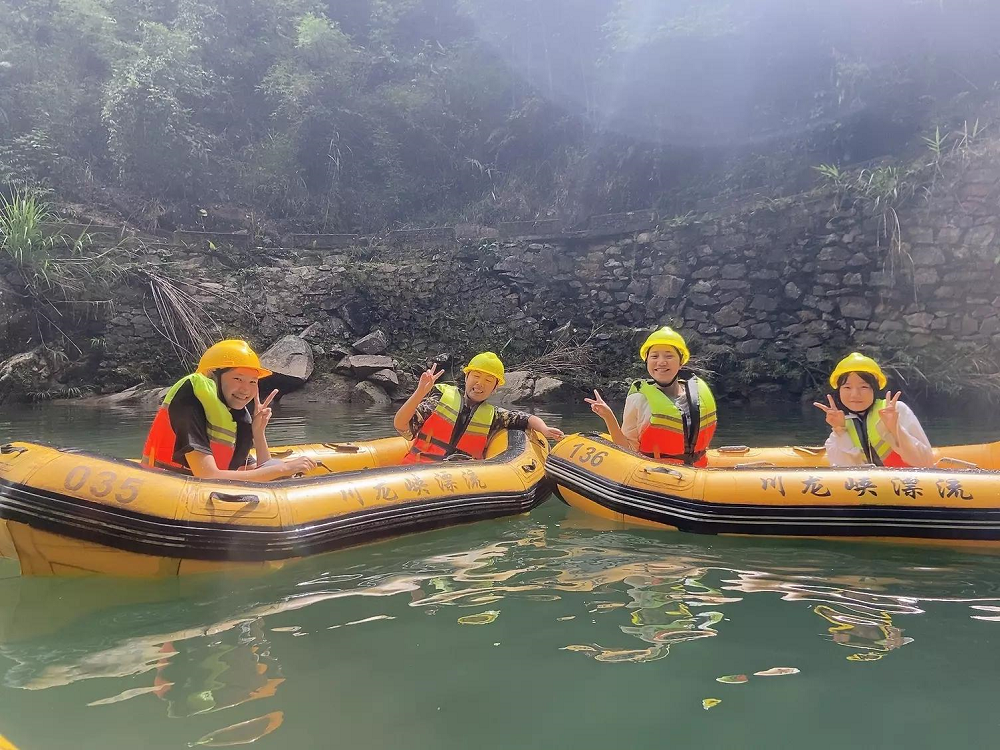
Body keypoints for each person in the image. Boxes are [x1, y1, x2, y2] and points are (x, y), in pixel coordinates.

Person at [141, 339, 315, 480]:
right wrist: (285, 468)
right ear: (213, 377)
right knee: (280, 470)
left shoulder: (237, 414)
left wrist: (258, 433)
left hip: (207, 490)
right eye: (238, 378)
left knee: (276, 469)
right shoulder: (190, 399)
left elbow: (256, 468)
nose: (246, 389)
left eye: (252, 382)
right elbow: (207, 475)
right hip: (169, 489)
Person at [394, 351, 565, 464]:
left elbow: (526, 419)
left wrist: (545, 428)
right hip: (417, 472)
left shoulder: (495, 416)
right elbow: (401, 425)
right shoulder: (439, 399)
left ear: (495, 387)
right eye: (476, 376)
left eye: (488, 381)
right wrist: (419, 392)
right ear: (466, 377)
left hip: (460, 480)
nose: (480, 384)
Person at [585, 326, 717, 467]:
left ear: (681, 362)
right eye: (654, 356)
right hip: (655, 476)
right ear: (647, 361)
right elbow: (627, 450)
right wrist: (609, 417)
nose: (661, 362)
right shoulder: (638, 399)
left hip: (699, 474)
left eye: (669, 356)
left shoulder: (697, 393)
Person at [813, 352, 932, 468]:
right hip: (871, 486)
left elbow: (925, 462)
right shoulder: (841, 425)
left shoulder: (896, 410)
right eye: (847, 387)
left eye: (864, 387)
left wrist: (895, 430)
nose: (854, 394)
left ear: (874, 390)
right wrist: (840, 431)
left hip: (906, 484)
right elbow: (845, 472)